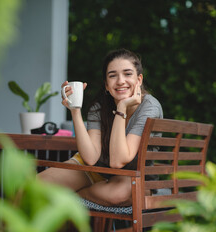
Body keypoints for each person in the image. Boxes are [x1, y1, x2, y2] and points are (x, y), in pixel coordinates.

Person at [38, 48, 163, 207]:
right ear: (106, 85)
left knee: (118, 194)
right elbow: (90, 158)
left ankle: (72, 197)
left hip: (132, 178)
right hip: (95, 171)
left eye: (127, 74)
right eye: (112, 75)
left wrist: (121, 108)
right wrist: (75, 111)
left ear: (139, 80)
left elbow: (118, 162)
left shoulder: (149, 108)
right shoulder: (99, 107)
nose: (120, 81)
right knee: (35, 186)